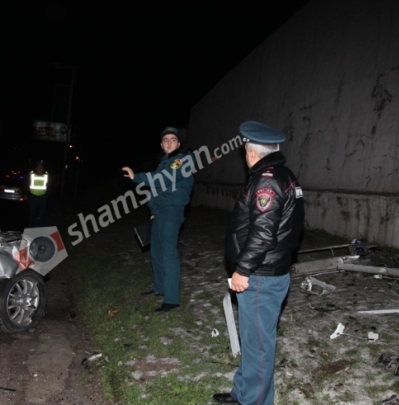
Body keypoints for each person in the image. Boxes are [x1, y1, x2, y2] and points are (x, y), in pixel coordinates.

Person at [213, 121, 304, 405]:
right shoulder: (282, 174)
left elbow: (263, 234)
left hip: (260, 275)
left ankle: (255, 400)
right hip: (266, 271)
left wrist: (243, 269)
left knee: (259, 346)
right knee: (253, 341)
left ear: (251, 153)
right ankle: (243, 392)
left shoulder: (267, 180)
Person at [122, 127, 194, 313]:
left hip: (172, 210)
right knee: (156, 251)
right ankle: (160, 288)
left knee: (168, 252)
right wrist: (153, 210)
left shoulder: (182, 160)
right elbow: (156, 190)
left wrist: (136, 177)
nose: (169, 142)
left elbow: (162, 179)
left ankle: (171, 299)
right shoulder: (165, 162)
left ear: (179, 144)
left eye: (173, 140)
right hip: (160, 211)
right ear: (161, 145)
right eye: (165, 140)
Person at [28, 160, 49, 227]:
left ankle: (41, 227)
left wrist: (47, 194)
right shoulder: (32, 174)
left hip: (43, 197)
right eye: (39, 167)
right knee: (32, 214)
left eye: (41, 167)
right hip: (33, 197)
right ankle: (31, 227)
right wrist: (27, 195)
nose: (40, 169)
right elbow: (27, 184)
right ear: (36, 168)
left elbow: (49, 185)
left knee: (42, 214)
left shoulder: (46, 175)